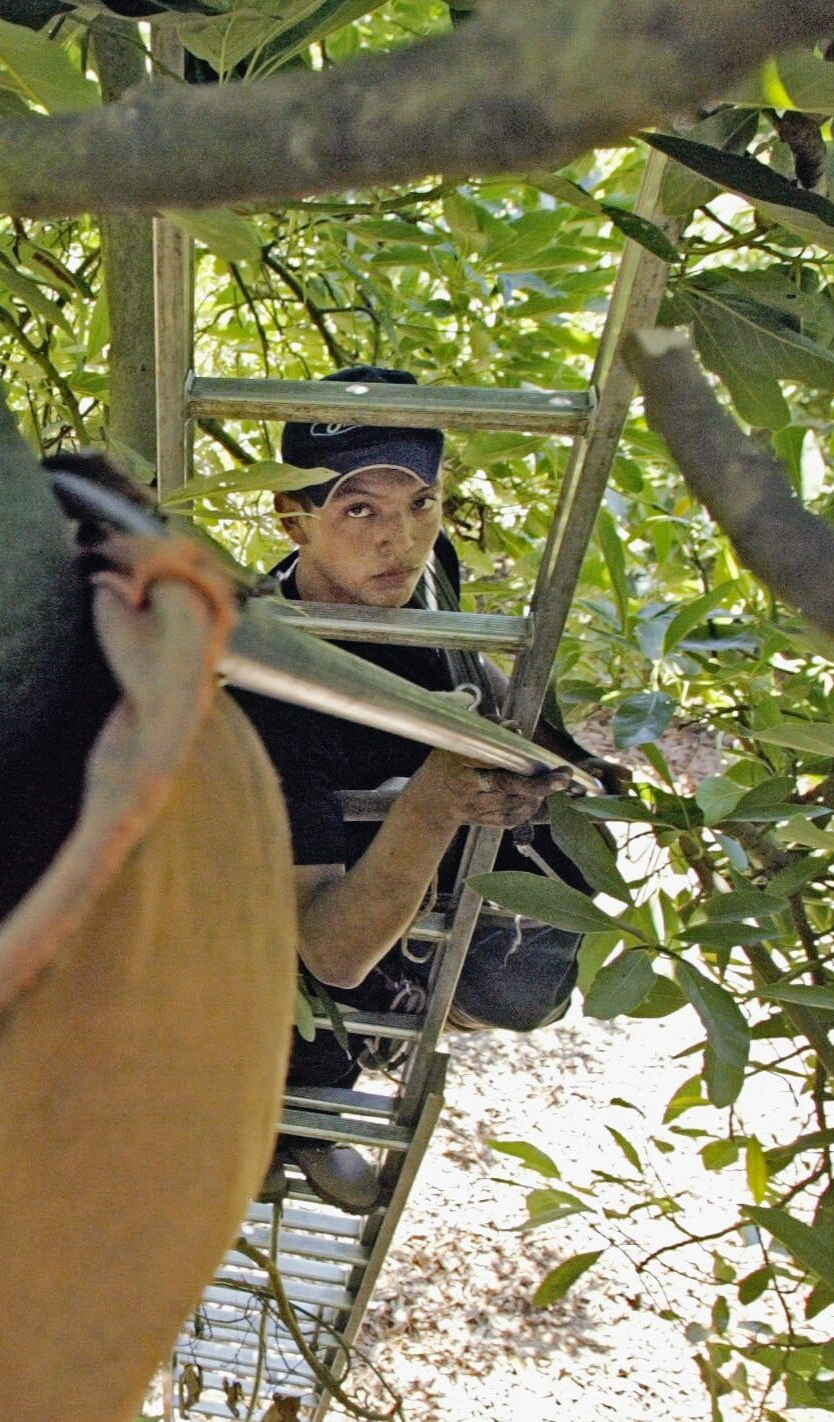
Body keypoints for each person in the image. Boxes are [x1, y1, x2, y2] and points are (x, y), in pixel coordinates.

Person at [232, 365, 583, 1212]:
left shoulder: (427, 570)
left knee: (530, 980)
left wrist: (522, 752)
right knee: (299, 997)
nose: (401, 539)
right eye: (360, 510)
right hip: (318, 904)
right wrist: (433, 803)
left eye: (419, 503)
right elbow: (330, 947)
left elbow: (489, 682)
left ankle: (414, 1007)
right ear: (293, 517)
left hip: (422, 852)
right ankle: (310, 1110)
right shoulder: (268, 685)